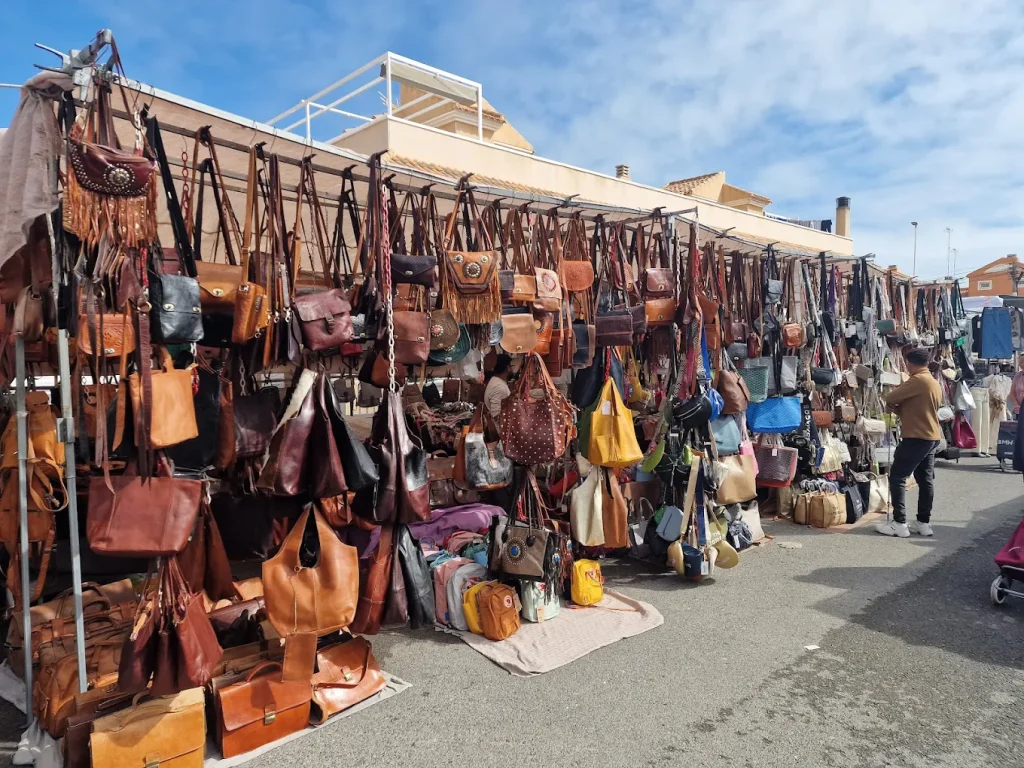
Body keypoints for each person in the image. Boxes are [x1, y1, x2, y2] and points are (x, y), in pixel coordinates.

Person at [876, 347, 943, 538]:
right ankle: (923, 522)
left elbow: (891, 396)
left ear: (910, 363)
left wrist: (894, 405)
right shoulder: (933, 382)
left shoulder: (918, 380)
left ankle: (899, 523)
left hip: (916, 437)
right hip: (931, 436)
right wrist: (898, 409)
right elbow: (920, 410)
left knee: (897, 477)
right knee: (925, 480)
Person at [483, 354, 513, 421]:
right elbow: (496, 415)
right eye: (512, 366)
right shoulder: (499, 387)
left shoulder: (497, 382)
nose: (512, 369)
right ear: (508, 368)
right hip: (500, 430)